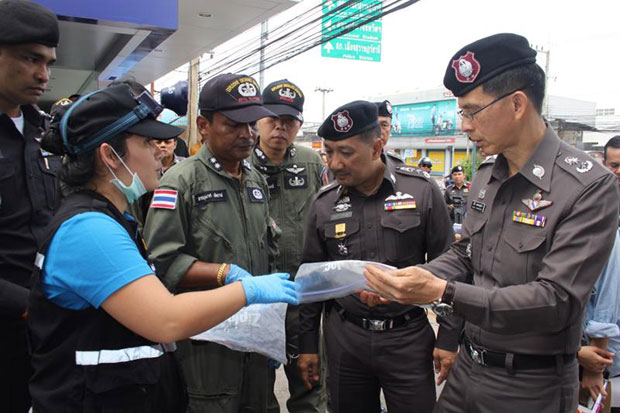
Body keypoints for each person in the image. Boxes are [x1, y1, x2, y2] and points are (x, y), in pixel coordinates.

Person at [363, 33, 620, 412]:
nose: (464, 125)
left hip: (532, 385)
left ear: (517, 104)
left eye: (471, 111)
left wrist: (441, 292)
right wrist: (408, 281)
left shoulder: (587, 186)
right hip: (468, 369)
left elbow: (556, 300)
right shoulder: (486, 174)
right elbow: (467, 253)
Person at [27, 84, 297, 412]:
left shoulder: (110, 217)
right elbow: (166, 319)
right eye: (146, 142)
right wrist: (247, 291)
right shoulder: (90, 230)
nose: (160, 151)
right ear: (110, 155)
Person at [298, 100, 460, 413]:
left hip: (408, 337)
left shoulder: (422, 192)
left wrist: (449, 338)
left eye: (346, 152)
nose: (334, 163)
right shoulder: (324, 203)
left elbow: (450, 266)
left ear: (376, 148)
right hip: (346, 339)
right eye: (328, 151)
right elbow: (312, 280)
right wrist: (307, 346)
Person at [143, 73, 287, 413]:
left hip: (254, 332)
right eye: (234, 124)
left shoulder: (254, 178)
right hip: (206, 338)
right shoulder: (181, 180)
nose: (247, 134)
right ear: (203, 125)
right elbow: (161, 260)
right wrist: (225, 274)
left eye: (252, 124)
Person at [252, 79, 327, 413]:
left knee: (310, 388)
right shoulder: (240, 162)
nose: (281, 127)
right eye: (272, 119)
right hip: (254, 299)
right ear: (257, 120)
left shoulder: (312, 163)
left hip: (302, 301)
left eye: (290, 121)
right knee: (255, 394)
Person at [0, 2, 60, 411]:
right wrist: (24, 306)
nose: (43, 75)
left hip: (45, 327)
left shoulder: (46, 134)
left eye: (48, 62)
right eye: (29, 58)